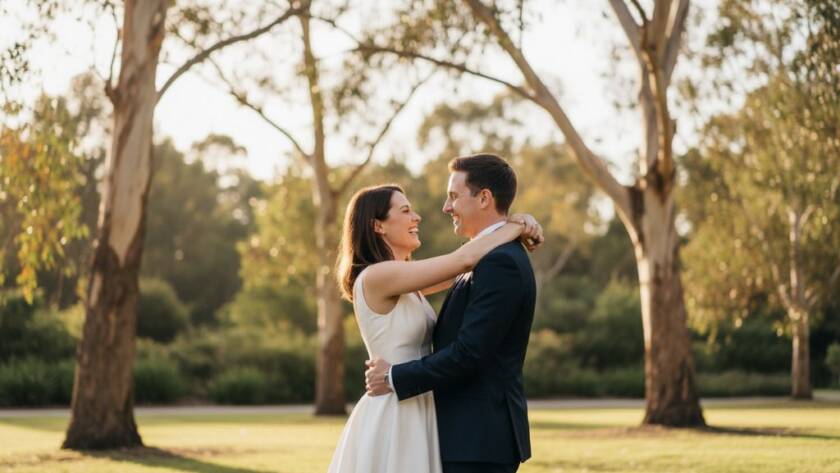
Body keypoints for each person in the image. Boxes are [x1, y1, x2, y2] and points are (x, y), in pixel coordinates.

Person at [328, 155, 540, 473]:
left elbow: (466, 266)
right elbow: (464, 260)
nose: (420, 216)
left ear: (484, 198)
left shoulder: (410, 280)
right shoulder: (379, 277)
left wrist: (516, 223)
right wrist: (517, 224)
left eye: (453, 196)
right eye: (405, 211)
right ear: (377, 224)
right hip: (396, 406)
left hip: (419, 405)